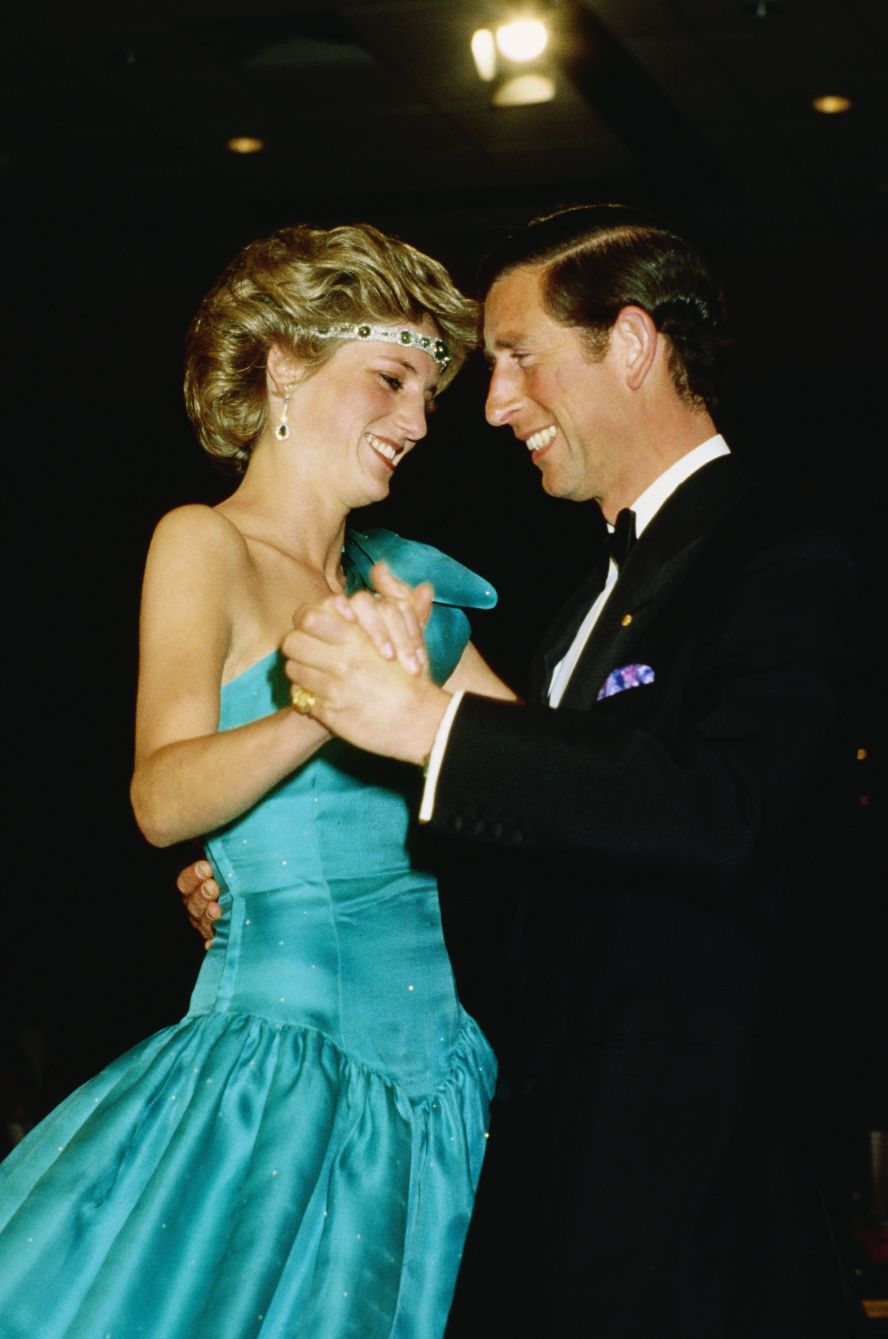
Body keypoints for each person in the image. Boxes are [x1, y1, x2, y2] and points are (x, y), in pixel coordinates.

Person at [256, 204, 863, 1337]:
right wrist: (283, 884)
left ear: (630, 345)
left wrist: (436, 730)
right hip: (563, 1183)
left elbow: (723, 808)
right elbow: (548, 854)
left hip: (701, 1214)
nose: (490, 406)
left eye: (516, 357)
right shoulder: (584, 601)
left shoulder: (781, 554)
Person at [0, 222, 516, 1338]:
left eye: (430, 391)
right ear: (285, 365)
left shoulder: (403, 583)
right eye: (390, 378)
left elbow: (550, 790)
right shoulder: (205, 544)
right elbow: (160, 798)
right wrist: (324, 706)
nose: (419, 422)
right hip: (278, 1079)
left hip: (442, 1087)